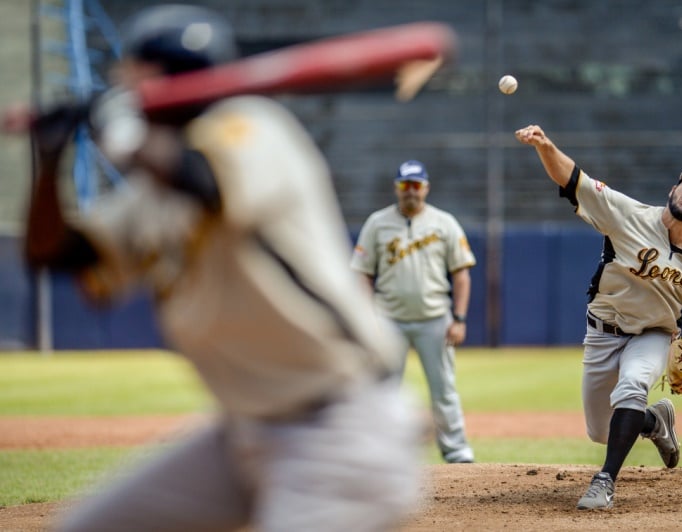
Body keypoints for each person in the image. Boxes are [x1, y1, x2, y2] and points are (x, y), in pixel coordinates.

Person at [22, 5, 422, 531]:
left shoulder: (252, 127)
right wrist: (48, 162)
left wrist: (116, 126)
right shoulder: (149, 196)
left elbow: (204, 182)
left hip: (340, 428)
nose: (123, 82)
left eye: (135, 71)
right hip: (243, 430)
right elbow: (55, 255)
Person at [515, 125, 682, 510]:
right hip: (601, 333)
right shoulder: (627, 214)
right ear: (673, 190)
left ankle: (605, 481)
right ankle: (654, 422)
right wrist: (545, 146)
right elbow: (572, 179)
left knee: (632, 386)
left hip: (654, 336)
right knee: (600, 429)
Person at [350, 160, 476, 464]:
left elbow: (461, 273)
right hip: (388, 319)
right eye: (405, 185)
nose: (411, 191)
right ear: (397, 188)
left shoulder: (444, 222)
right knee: (382, 387)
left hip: (435, 317)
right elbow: (362, 274)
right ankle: (381, 451)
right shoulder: (377, 223)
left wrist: (459, 318)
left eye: (416, 185)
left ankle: (457, 451)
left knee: (443, 387)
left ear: (426, 187)